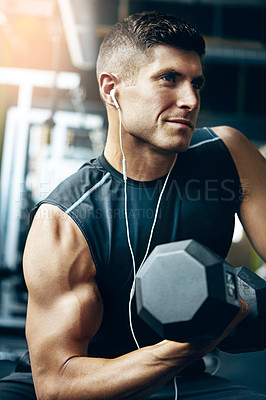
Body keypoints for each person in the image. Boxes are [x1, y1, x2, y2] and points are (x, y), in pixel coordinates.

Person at [1, 11, 266, 400]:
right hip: (82, 384)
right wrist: (197, 340)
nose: (190, 99)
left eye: (196, 83)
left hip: (184, 382)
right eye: (169, 79)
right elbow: (56, 384)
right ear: (112, 90)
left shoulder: (229, 155)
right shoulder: (65, 220)